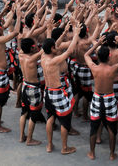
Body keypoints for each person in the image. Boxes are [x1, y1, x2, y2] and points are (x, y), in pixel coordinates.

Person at [42, 23, 80, 154]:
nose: (57, 47)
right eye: (55, 47)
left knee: (50, 118)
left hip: (48, 92)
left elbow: (51, 43)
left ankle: (49, 145)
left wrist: (50, 32)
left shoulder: (43, 56)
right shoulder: (54, 61)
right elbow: (69, 51)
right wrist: (76, 33)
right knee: (65, 121)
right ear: (52, 48)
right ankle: (64, 148)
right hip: (57, 92)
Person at [0, 4, 22, 133]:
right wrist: (18, 16)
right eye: (2, 27)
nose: (4, 28)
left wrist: (8, 12)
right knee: (0, 102)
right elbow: (16, 32)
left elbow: (1, 24)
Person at [84, 36, 118, 161]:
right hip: (109, 98)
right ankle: (111, 154)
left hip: (97, 97)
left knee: (94, 127)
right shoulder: (113, 69)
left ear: (98, 57)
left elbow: (86, 55)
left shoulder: (94, 68)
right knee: (111, 128)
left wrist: (97, 44)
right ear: (109, 56)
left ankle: (92, 153)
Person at [18, 38, 46, 146]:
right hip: (33, 88)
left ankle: (21, 136)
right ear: (32, 47)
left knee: (24, 112)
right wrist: (48, 31)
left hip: (25, 86)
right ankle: (29, 139)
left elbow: (25, 44)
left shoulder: (21, 54)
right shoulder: (33, 58)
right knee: (33, 115)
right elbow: (43, 50)